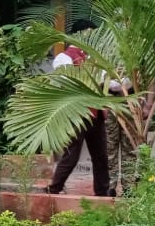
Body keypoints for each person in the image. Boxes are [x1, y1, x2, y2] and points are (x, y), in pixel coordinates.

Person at [46, 20, 111, 196]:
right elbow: (67, 80)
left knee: (101, 156)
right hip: (76, 113)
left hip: (95, 114)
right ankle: (55, 188)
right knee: (71, 156)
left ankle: (102, 191)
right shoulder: (64, 57)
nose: (92, 37)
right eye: (89, 33)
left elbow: (107, 82)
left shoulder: (94, 58)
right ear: (78, 35)